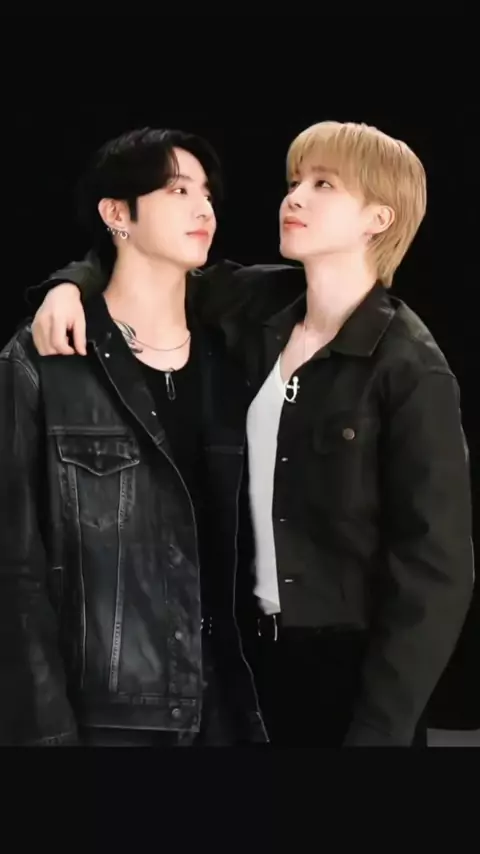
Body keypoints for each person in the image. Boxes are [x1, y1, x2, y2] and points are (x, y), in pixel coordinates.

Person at [26, 120, 474, 747]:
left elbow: (436, 570)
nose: (294, 198)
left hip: (351, 672)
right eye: (295, 182)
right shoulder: (259, 306)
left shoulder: (409, 365)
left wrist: (381, 729)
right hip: (245, 661)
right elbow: (145, 263)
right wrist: (67, 288)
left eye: (323, 185)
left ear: (378, 218)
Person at [0, 127, 268, 746]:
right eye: (178, 191)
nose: (203, 208)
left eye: (206, 193)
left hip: (235, 708)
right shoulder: (44, 360)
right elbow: (14, 570)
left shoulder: (237, 353)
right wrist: (46, 733)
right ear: (117, 214)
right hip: (110, 720)